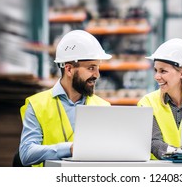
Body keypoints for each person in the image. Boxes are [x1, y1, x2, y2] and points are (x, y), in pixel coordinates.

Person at [19, 30, 112, 167]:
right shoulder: (37, 105)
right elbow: (26, 153)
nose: (97, 75)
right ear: (68, 69)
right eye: (91, 68)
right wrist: (69, 149)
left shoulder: (103, 107)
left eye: (98, 68)